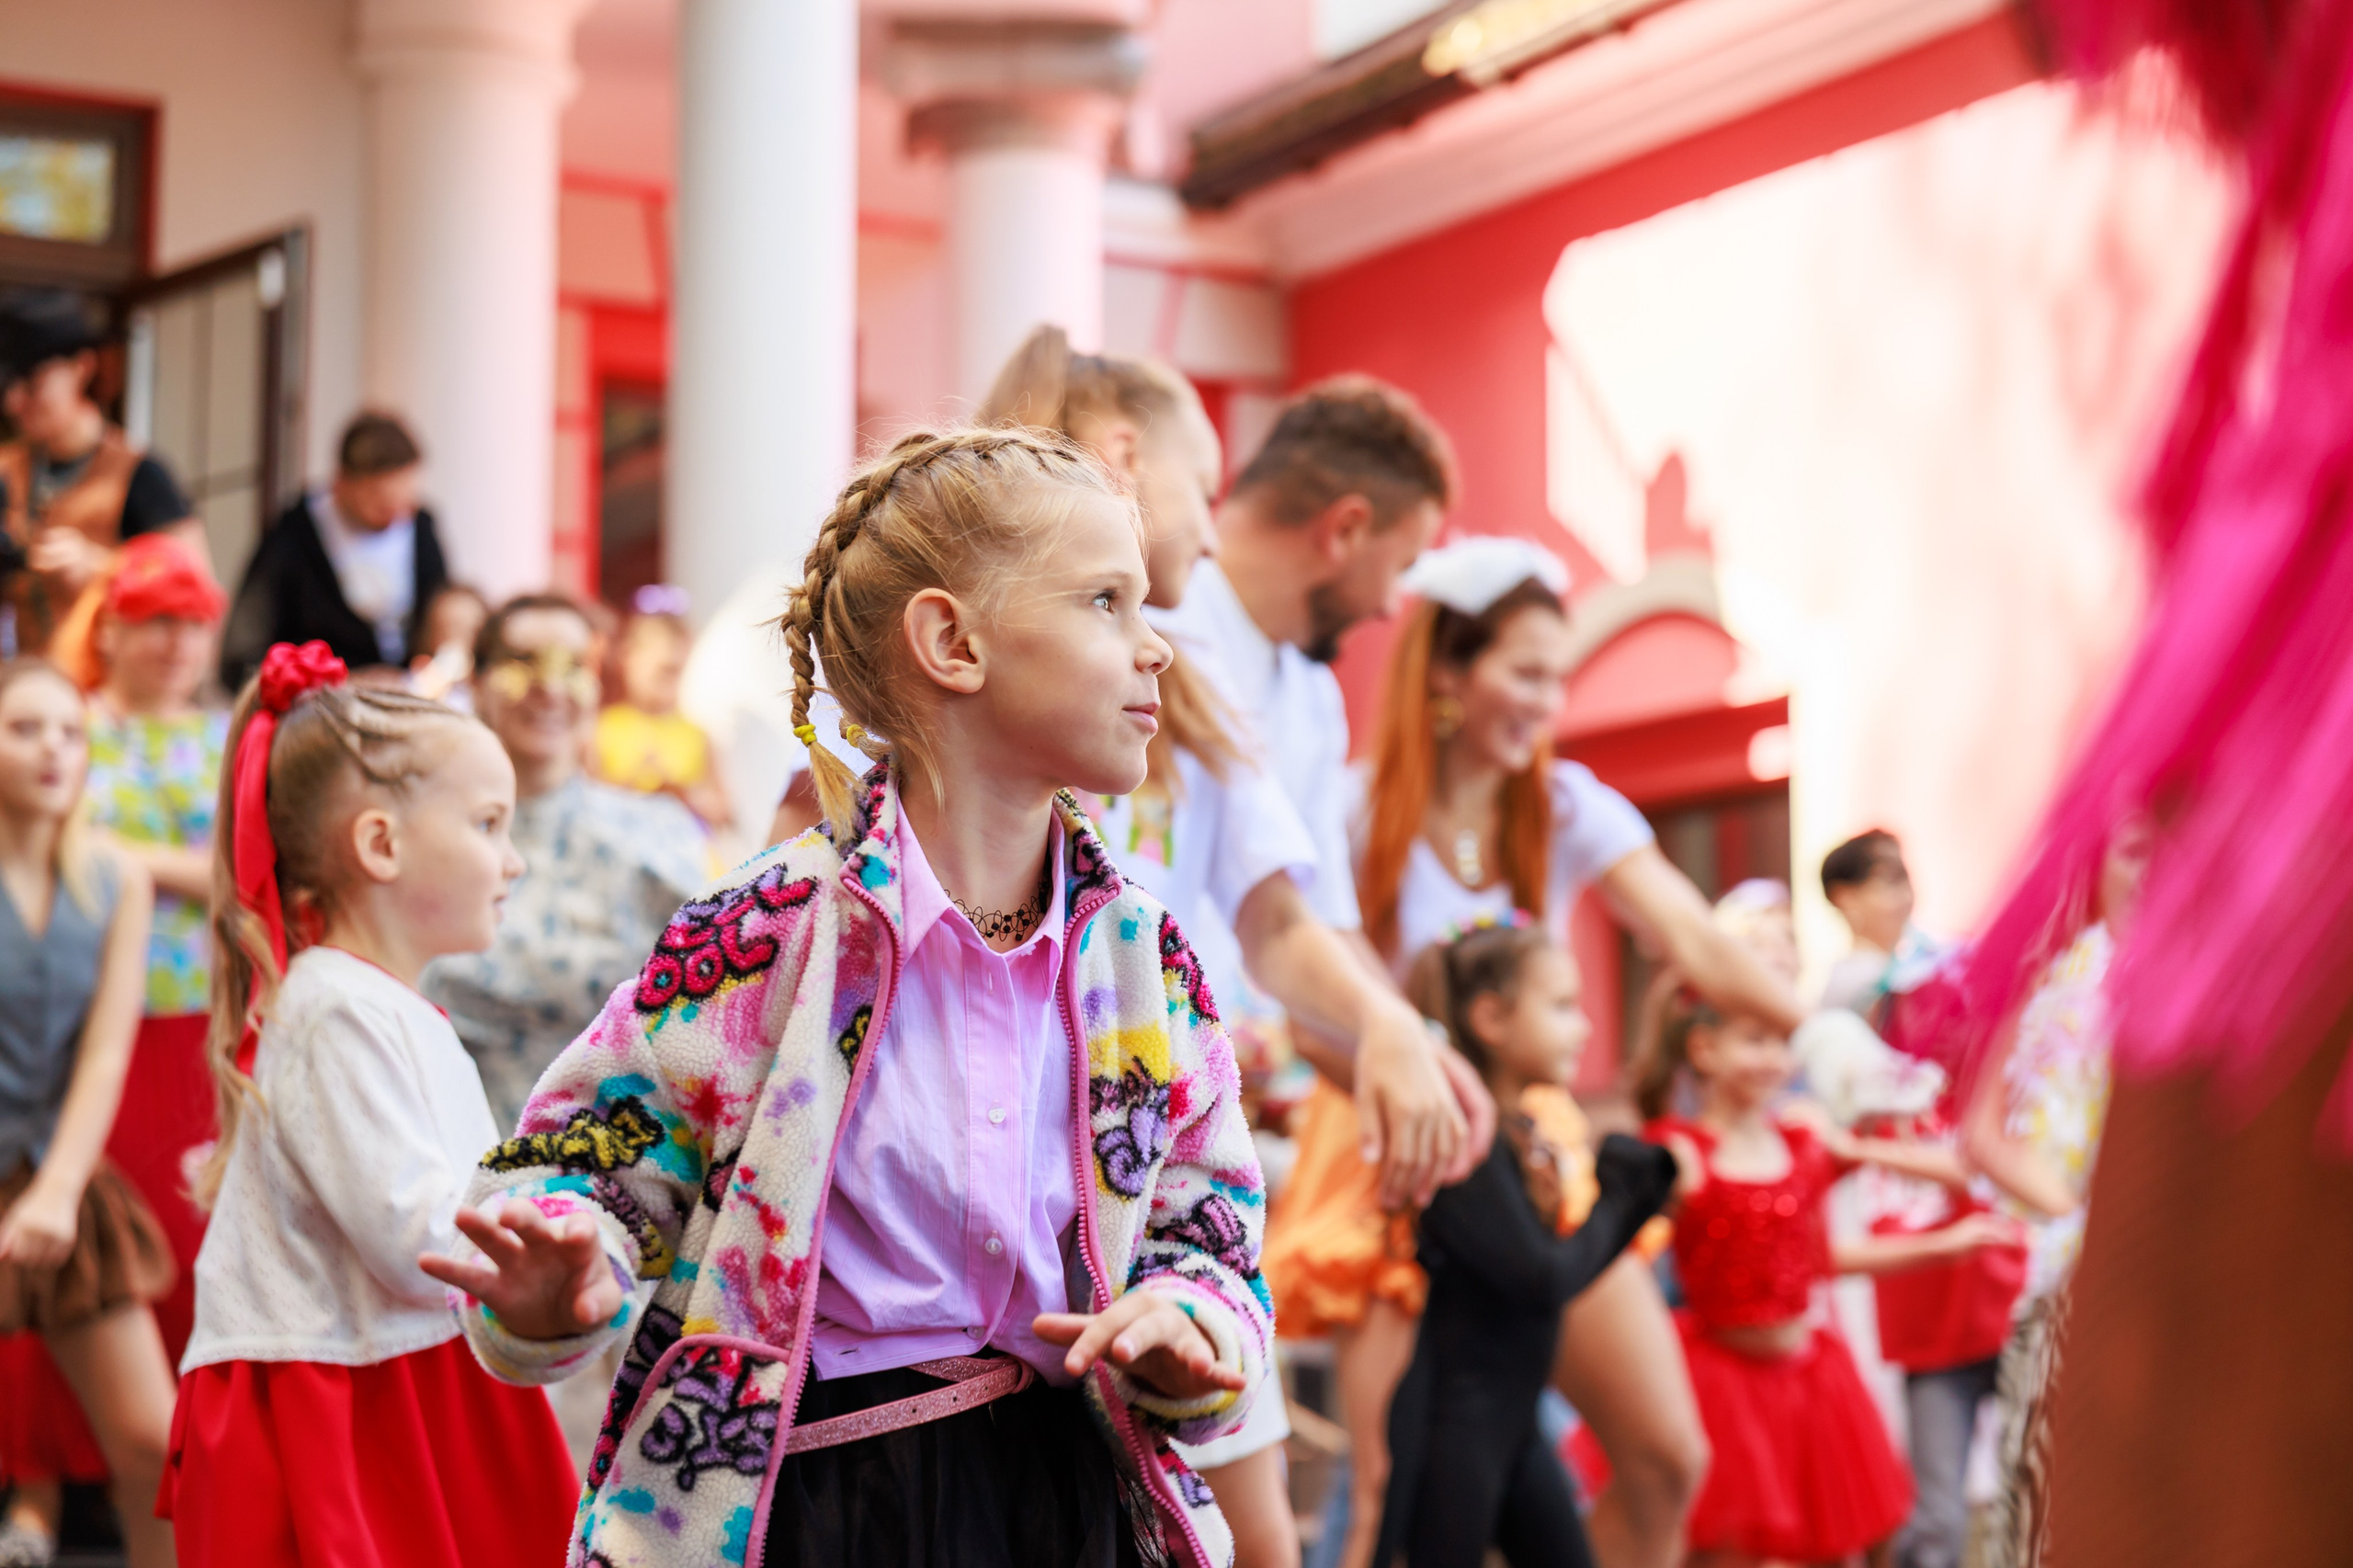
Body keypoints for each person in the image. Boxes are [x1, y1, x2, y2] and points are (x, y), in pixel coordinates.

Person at [420, 427, 1273, 1568]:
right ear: (952, 642)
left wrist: (1189, 1321)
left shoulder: (1147, 969)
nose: (1155, 644)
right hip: (817, 1508)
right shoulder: (758, 935)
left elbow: (1208, 1228)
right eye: (1107, 601)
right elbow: (583, 1172)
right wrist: (548, 1279)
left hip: (1070, 1509)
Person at [975, 326, 1494, 1568]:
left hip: (1152, 1174)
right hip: (998, 1181)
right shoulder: (1005, 670)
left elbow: (1276, 919)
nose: (1206, 539)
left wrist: (1389, 1033)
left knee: (1249, 1534)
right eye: (1199, 490)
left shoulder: (1200, 681)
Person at [1310, 535, 1805, 1568]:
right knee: (1390, 1493)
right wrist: (1404, 1083)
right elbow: (1299, 991)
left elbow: (1692, 935)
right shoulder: (1355, 812)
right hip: (1397, 1163)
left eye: (1558, 677)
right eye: (1527, 673)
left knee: (1666, 1456)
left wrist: (1814, 1024)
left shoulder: (1566, 805)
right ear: (1450, 671)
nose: (1548, 700)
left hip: (1532, 1167)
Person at [157, 642, 575, 1565]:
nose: (511, 861)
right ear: (381, 843)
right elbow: (417, 1240)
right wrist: (557, 1235)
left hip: (395, 1373)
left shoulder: (372, 1001)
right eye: (488, 823)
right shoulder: (336, 1007)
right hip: (345, 1402)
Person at [1643, 990, 2018, 1568]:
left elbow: (1818, 1261)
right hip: (1724, 1391)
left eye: (1782, 1044)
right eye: (1754, 1041)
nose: (1773, 1060)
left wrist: (1942, 1245)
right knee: (1725, 1549)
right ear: (1704, 1048)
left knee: (1842, 1548)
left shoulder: (1802, 1145)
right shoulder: (1680, 1151)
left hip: (1812, 1384)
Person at [1373, 918, 1678, 1568]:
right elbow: (1543, 1278)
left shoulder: (1509, 1133)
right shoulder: (1463, 1140)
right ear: (1491, 1017)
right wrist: (1623, 1194)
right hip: (1455, 1430)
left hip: (1511, 1423)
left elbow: (1547, 1276)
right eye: (1563, 1007)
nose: (1584, 1027)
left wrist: (1630, 1194)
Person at [0, 658, 174, 1568]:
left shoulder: (115, 878)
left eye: (70, 732)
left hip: (56, 1175)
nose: (52, 750)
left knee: (155, 1445)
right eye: (24, 728)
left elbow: (106, 1049)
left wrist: (60, 1189)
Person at [420, 592, 708, 1134]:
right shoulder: (425, 841)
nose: (549, 687)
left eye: (572, 665)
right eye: (523, 661)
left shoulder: (656, 834)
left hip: (625, 1155)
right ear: (477, 683)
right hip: (461, 1144)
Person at [1817, 829, 2011, 1568]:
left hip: (1964, 1225)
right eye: (1883, 880)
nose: (1901, 894)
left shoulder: (1940, 972)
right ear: (1844, 898)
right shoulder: (1848, 1001)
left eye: (1904, 878)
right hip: (1896, 1226)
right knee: (1919, 1478)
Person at [1964, 819, 2143, 1568]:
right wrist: (2086, 1216)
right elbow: (1981, 1132)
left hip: (2177, 1285)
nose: (2152, 868)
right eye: (2134, 849)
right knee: (2057, 1515)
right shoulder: (2050, 984)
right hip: (2067, 1276)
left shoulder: (2219, 978)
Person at [0, 290, 202, 664]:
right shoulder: (7, 470)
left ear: (81, 367)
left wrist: (102, 569)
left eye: (30, 382)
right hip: (20, 683)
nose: (13, 402)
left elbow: (193, 587)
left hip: (107, 684)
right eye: (7, 386)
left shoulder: (140, 475)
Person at [220, 413, 449, 688]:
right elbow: (245, 652)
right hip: (323, 701)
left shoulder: (420, 527)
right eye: (380, 504)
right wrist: (337, 682)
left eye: (405, 502)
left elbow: (443, 613)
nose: (395, 517)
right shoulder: (294, 537)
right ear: (341, 483)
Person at [592, 587, 733, 831]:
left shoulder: (696, 734)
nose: (668, 683)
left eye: (675, 672)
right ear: (628, 658)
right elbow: (589, 800)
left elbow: (722, 809)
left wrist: (686, 794)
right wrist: (632, 785)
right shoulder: (602, 728)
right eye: (661, 672)